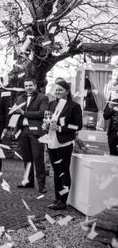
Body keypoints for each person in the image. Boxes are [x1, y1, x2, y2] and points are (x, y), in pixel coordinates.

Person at [43, 80, 83, 210]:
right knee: (56, 171)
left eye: (60, 89)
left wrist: (60, 128)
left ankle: (63, 200)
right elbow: (48, 120)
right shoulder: (51, 104)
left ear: (67, 91)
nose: (57, 92)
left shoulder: (74, 106)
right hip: (51, 141)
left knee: (64, 172)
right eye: (56, 89)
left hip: (64, 142)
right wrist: (45, 125)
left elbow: (77, 126)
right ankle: (57, 198)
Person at [8, 78, 49, 193]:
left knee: (38, 158)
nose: (28, 88)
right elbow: (16, 114)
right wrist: (14, 114)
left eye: (30, 85)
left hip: (36, 132)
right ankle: (28, 182)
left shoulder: (43, 98)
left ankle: (42, 185)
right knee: (27, 158)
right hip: (23, 131)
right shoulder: (20, 98)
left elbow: (42, 113)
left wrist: (23, 112)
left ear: (35, 85)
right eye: (26, 86)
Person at [103, 82, 118, 156]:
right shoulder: (114, 102)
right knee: (113, 154)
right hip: (113, 133)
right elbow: (105, 116)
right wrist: (111, 109)